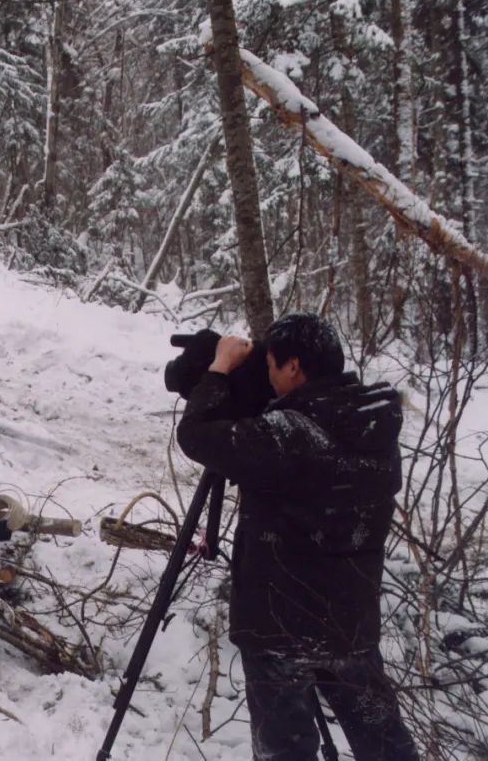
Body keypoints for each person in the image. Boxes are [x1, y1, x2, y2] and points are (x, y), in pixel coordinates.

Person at [176, 313, 418, 761]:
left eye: (271, 365)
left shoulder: (288, 434)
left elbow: (196, 435)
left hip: (280, 625)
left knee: (285, 751)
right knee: (384, 745)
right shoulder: (375, 429)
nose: (268, 375)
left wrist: (219, 370)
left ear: (293, 367)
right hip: (351, 622)